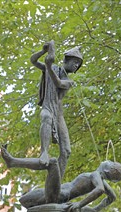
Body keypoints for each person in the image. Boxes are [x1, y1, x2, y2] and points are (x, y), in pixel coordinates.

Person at [1, 145, 121, 212]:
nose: (107, 160)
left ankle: (13, 162)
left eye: (111, 163)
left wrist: (79, 204)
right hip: (58, 194)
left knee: (53, 162)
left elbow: (100, 190)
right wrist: (94, 210)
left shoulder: (97, 176)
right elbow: (112, 197)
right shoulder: (99, 179)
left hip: (59, 195)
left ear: (108, 170)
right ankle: (12, 162)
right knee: (24, 199)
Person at [30, 40, 83, 178]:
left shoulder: (70, 81)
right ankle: (44, 152)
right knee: (46, 117)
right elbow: (33, 60)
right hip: (48, 106)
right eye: (75, 62)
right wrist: (43, 51)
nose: (76, 65)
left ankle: (56, 182)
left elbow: (58, 83)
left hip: (59, 114)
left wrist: (48, 64)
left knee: (66, 151)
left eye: (78, 64)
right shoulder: (52, 68)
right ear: (67, 60)